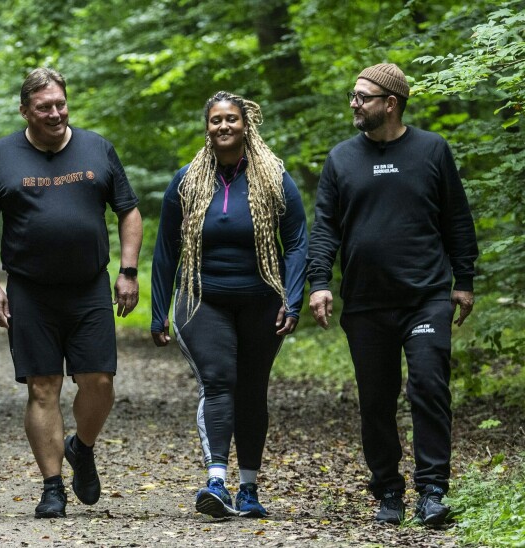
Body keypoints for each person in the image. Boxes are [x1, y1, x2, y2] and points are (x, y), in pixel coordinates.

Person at [307, 63, 478, 526]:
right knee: (376, 400)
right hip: (365, 303)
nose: (354, 103)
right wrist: (319, 282)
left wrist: (463, 280)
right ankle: (388, 491)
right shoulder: (341, 158)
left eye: (363, 96)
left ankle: (432, 491)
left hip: (424, 296)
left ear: (391, 102)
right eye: (353, 95)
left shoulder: (431, 150)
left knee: (428, 386)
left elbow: (456, 219)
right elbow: (325, 228)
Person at [0, 68, 143, 518]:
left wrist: (128, 271)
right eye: (44, 107)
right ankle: (52, 487)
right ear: (25, 109)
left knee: (99, 382)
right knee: (42, 387)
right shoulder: (1, 155)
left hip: (88, 287)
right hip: (30, 290)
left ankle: (81, 448)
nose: (55, 113)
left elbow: (129, 212)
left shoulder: (97, 148)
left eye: (60, 104)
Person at [149, 91, 308, 519]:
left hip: (261, 301)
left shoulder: (273, 177)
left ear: (245, 125)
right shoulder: (187, 180)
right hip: (203, 300)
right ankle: (216, 481)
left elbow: (295, 241)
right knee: (219, 382)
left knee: (252, 389)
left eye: (231, 119)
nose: (223, 126)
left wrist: (293, 300)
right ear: (207, 127)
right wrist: (158, 310)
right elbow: (166, 250)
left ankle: (249, 488)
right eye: (216, 120)